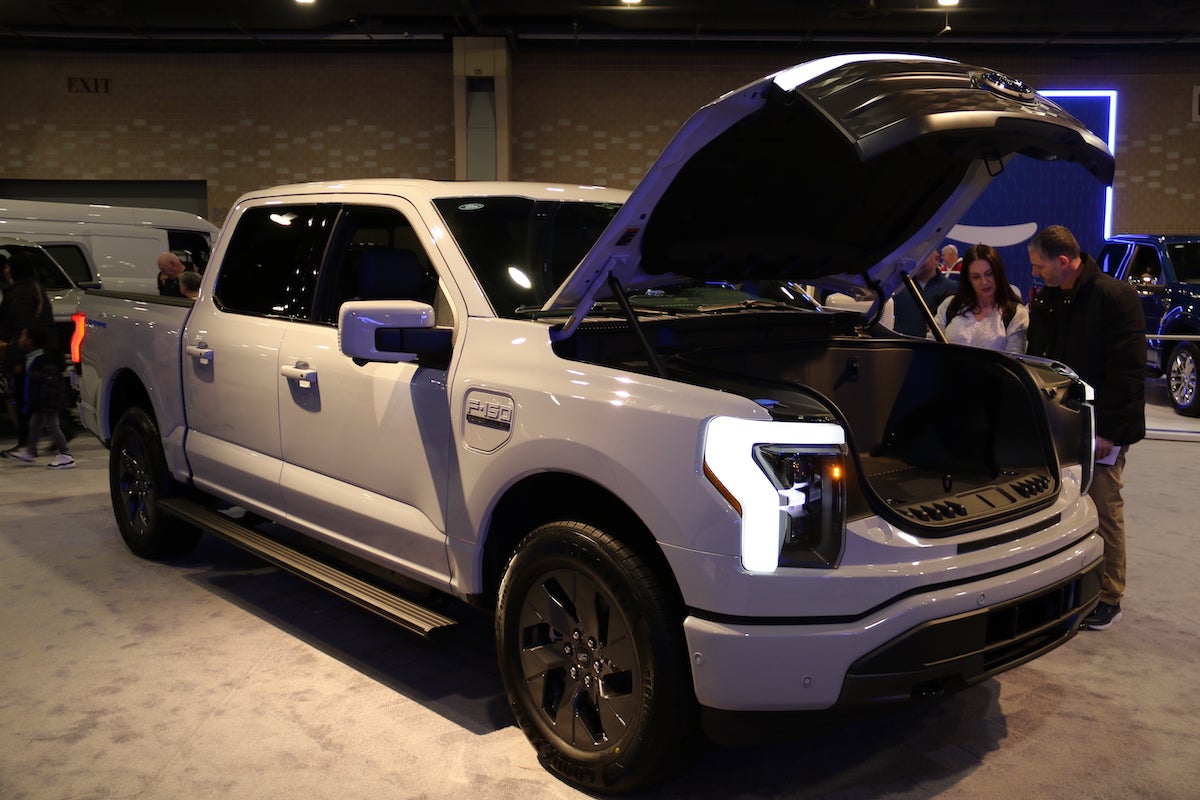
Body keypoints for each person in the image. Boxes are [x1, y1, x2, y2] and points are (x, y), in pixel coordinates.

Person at [1026, 225, 1145, 631]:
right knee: (1058, 506)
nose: (1036, 273)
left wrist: (1108, 432)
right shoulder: (1051, 298)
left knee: (1105, 505)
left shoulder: (1115, 297)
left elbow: (1128, 373)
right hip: (1058, 422)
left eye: (1040, 265)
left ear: (1064, 261)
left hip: (1100, 427)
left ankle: (1109, 595)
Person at [0, 251, 57, 457]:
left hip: (28, 355)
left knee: (25, 401)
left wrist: (16, 358)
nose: (6, 270)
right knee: (39, 399)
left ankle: (26, 445)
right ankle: (58, 434)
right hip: (42, 351)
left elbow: (23, 330)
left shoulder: (20, 293)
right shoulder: (35, 288)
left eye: (9, 266)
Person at [933, 243, 1028, 353]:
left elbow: (1015, 361)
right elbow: (931, 348)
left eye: (989, 274)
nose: (984, 282)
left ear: (998, 273)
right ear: (968, 279)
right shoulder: (950, 305)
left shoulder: (1016, 312)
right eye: (976, 277)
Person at [6, 326, 74, 469]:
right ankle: (31, 451)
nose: (20, 339)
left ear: (31, 341)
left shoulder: (44, 359)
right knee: (35, 424)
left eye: (23, 336)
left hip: (47, 401)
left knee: (53, 426)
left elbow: (50, 383)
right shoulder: (32, 357)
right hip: (40, 401)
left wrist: (46, 402)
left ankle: (66, 455)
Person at [891, 248, 956, 337]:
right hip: (901, 347)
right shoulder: (897, 287)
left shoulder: (953, 289)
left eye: (921, 257)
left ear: (937, 259)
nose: (916, 262)